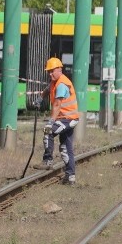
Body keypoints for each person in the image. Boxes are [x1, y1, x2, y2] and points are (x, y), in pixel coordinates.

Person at [37, 57, 80, 185]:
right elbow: (47, 89)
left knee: (48, 131)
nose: (50, 74)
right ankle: (70, 177)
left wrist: (51, 121)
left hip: (68, 119)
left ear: (59, 69)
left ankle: (47, 161)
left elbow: (57, 105)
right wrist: (40, 98)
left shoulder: (62, 84)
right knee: (65, 148)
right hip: (67, 119)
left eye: (52, 71)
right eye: (48, 71)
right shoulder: (55, 82)